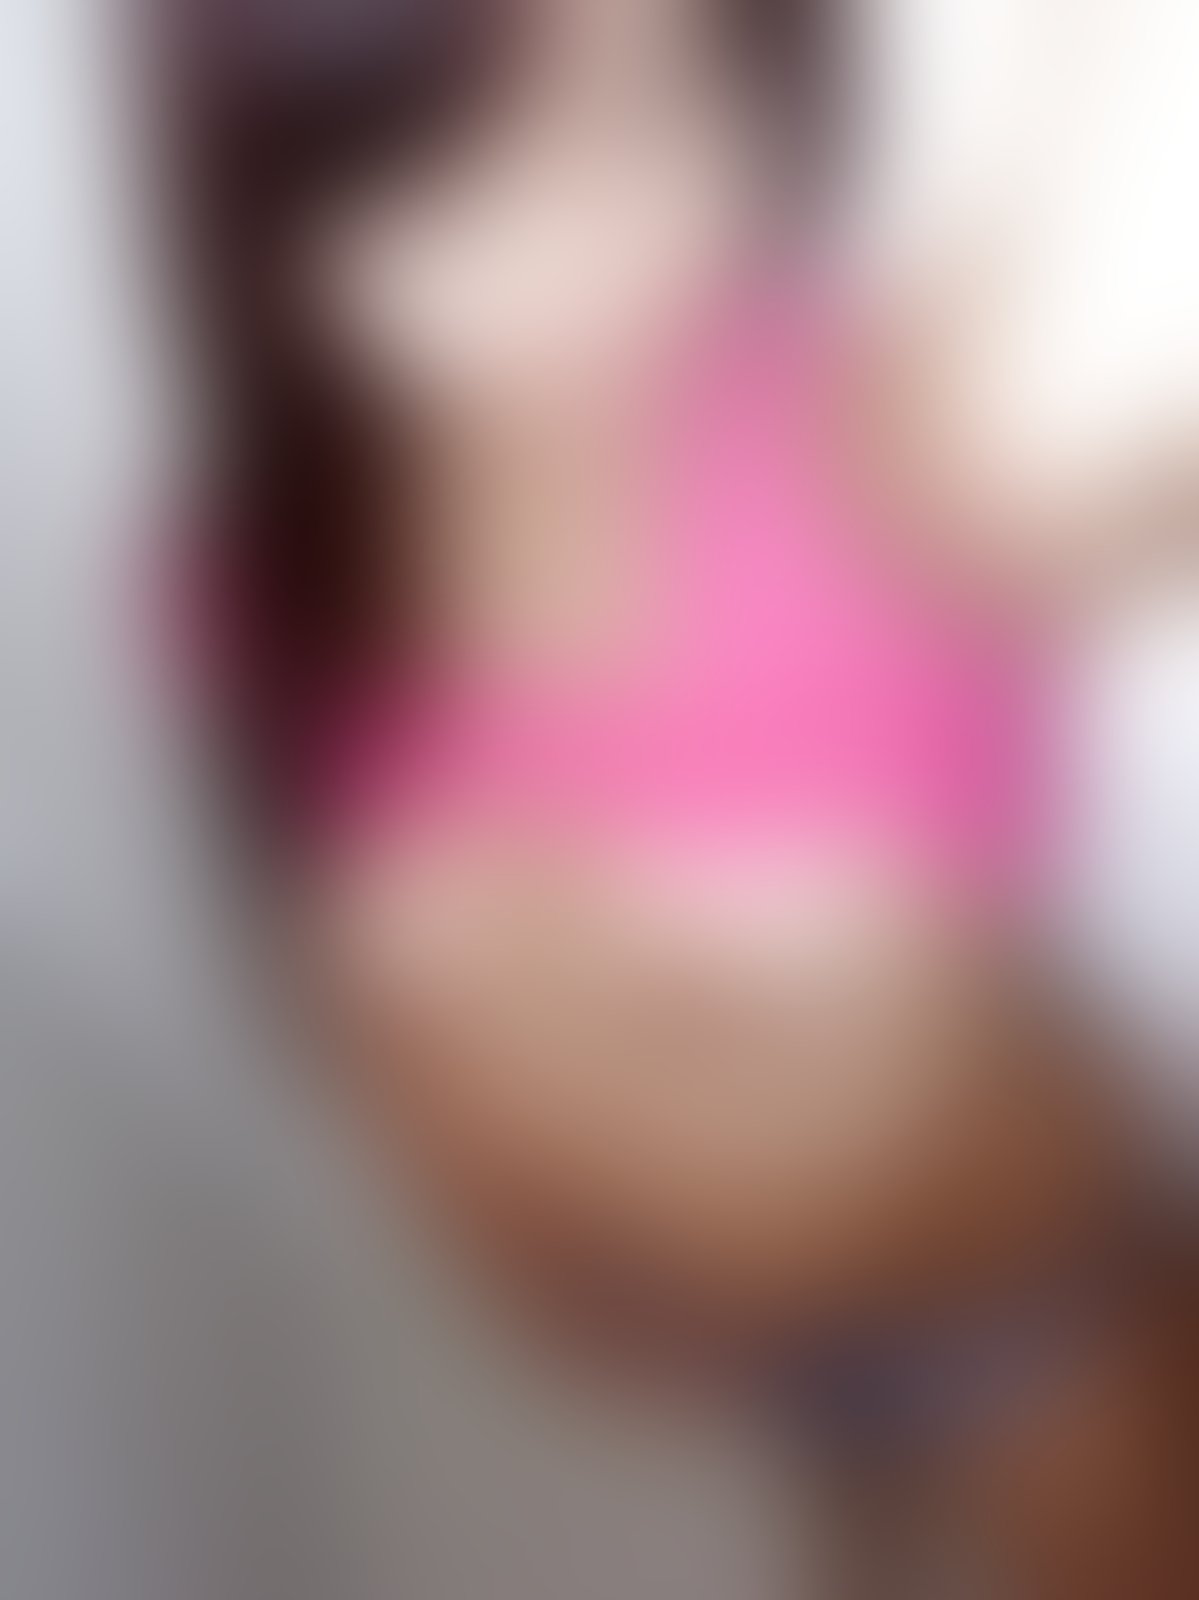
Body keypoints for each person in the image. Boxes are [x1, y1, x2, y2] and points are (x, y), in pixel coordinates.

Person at [164, 0, 1195, 1591]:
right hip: (752, 1362)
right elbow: (362, 1012)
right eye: (478, 140)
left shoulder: (881, 431)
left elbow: (1084, 445)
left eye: (667, 98)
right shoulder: (263, 582)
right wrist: (529, 1272)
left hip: (1038, 1333)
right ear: (276, 190)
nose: (602, 207)